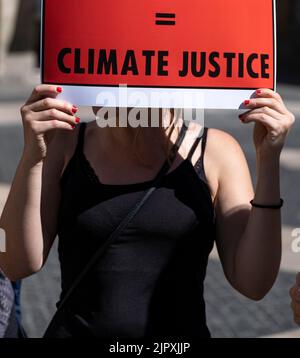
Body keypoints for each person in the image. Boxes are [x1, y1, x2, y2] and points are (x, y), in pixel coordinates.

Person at [0, 84, 295, 338]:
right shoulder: (63, 143)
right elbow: (13, 263)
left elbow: (254, 282)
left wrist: (268, 160)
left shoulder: (218, 151)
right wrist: (33, 156)